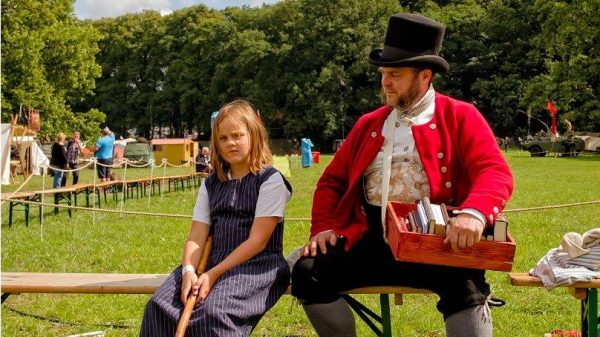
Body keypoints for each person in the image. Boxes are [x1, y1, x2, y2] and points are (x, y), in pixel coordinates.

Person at [291, 13, 514, 337]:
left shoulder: (461, 115)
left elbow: (494, 170)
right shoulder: (368, 123)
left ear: (424, 76)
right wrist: (323, 228)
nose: (385, 82)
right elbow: (331, 182)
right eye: (384, 74)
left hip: (438, 242)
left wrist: (474, 214)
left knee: (465, 287)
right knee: (308, 272)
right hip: (370, 240)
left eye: (395, 74)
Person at [140, 99, 292, 336]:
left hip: (256, 265)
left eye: (237, 135)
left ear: (254, 136)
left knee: (213, 313)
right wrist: (189, 270)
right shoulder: (210, 184)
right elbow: (197, 236)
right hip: (209, 262)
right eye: (223, 138)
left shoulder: (271, 181)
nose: (230, 142)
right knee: (159, 307)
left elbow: (258, 241)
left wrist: (214, 274)